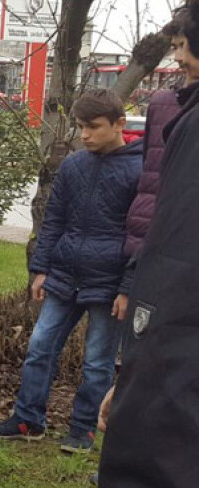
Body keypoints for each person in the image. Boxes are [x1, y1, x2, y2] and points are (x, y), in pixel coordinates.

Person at [90, 7, 199, 488]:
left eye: (184, 43)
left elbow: (176, 260)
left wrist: (135, 375)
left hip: (173, 383)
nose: (178, 57)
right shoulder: (179, 113)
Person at [0, 89, 139, 454]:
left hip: (109, 282)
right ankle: (27, 419)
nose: (84, 135)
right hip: (64, 276)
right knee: (39, 347)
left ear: (119, 124)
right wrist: (41, 269)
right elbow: (54, 219)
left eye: (93, 127)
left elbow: (142, 235)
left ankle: (84, 429)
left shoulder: (140, 169)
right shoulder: (73, 165)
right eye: (80, 126)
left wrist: (128, 287)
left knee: (98, 361)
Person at [120, 10, 194, 289]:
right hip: (152, 234)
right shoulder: (162, 103)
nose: (178, 57)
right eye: (174, 47)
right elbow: (149, 173)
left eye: (184, 46)